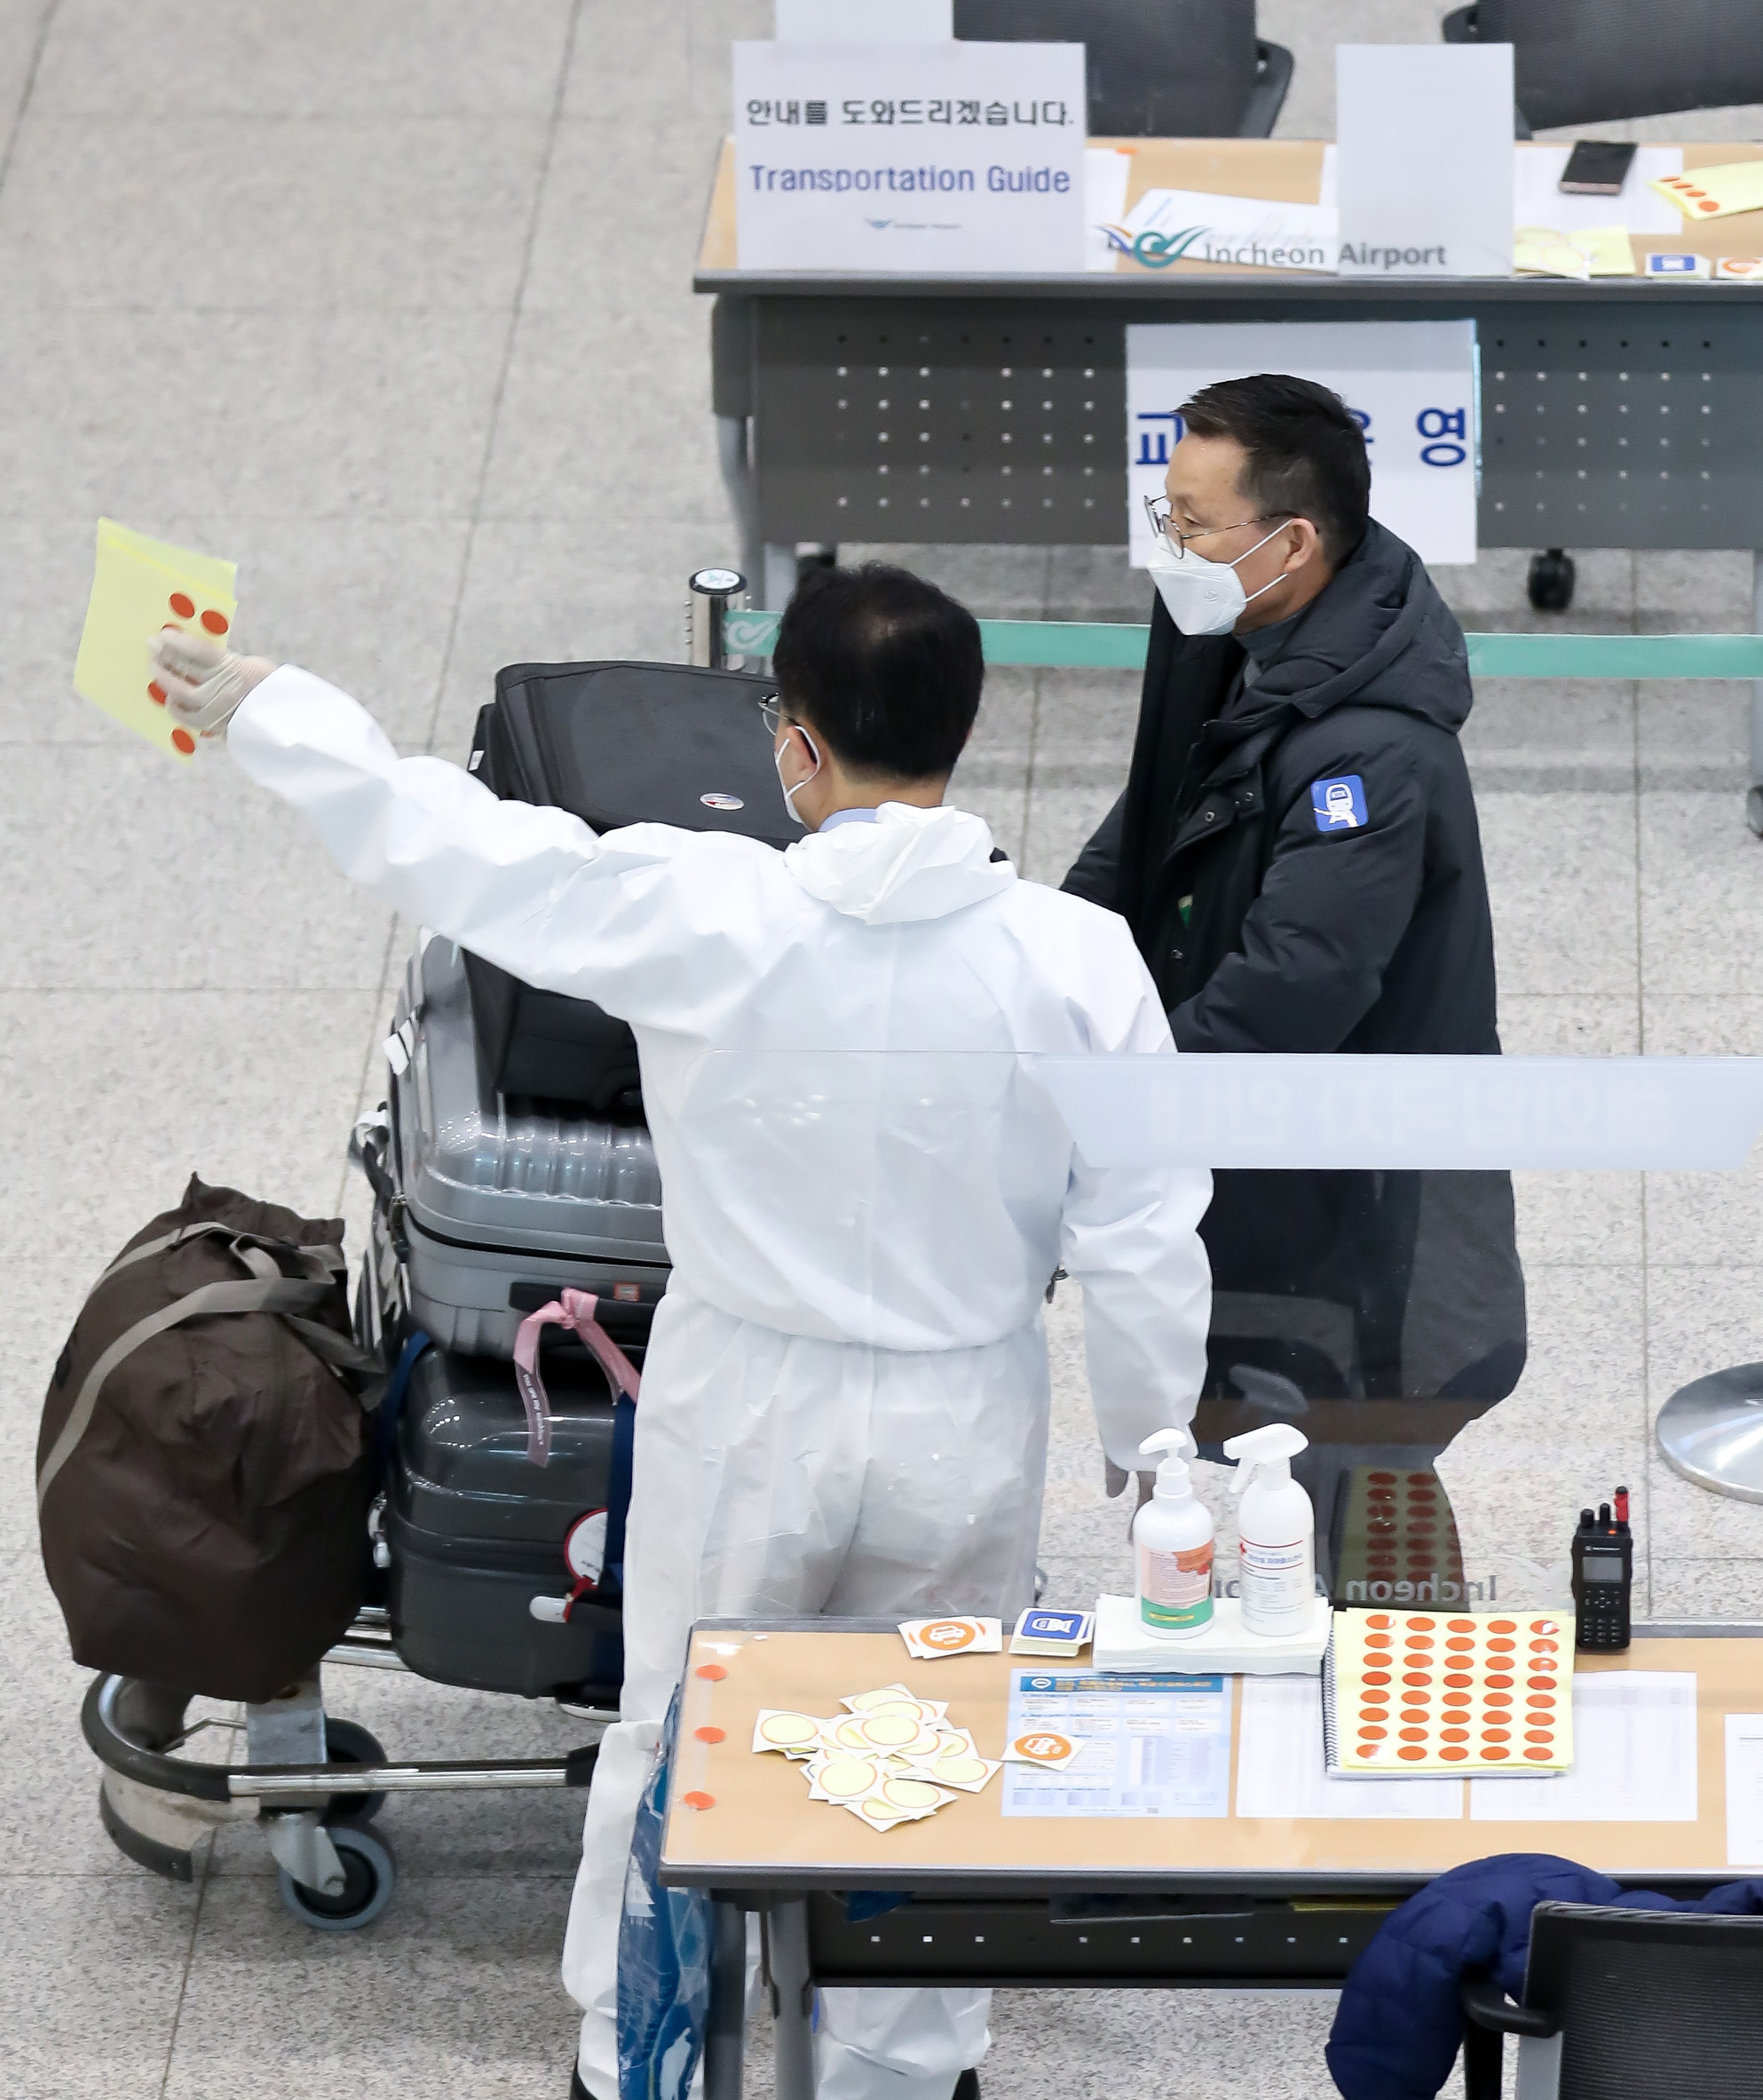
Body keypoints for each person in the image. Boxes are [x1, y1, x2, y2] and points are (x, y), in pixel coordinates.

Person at [153, 561, 1212, 2100]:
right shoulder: (1073, 957)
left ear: (793, 743)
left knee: (680, 1745)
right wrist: (1147, 1441)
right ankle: (900, 2070)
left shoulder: (704, 902)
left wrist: (274, 710)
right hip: (961, 1418)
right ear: (963, 735)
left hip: (745, 1405)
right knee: (926, 1749)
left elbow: (461, 850)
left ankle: (639, 2055)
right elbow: (1142, 1229)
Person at [1064, 374, 1525, 1593]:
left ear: (1293, 541)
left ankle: (1411, 1694)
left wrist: (1124, 1105)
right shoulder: (1239, 645)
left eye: (1195, 522)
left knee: (1362, 1447)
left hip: (1355, 1185)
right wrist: (1040, 971)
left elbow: (1295, 986)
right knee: (1288, 1440)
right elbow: (1138, 839)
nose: (1172, 547)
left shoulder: (1370, 751)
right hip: (1253, 1149)